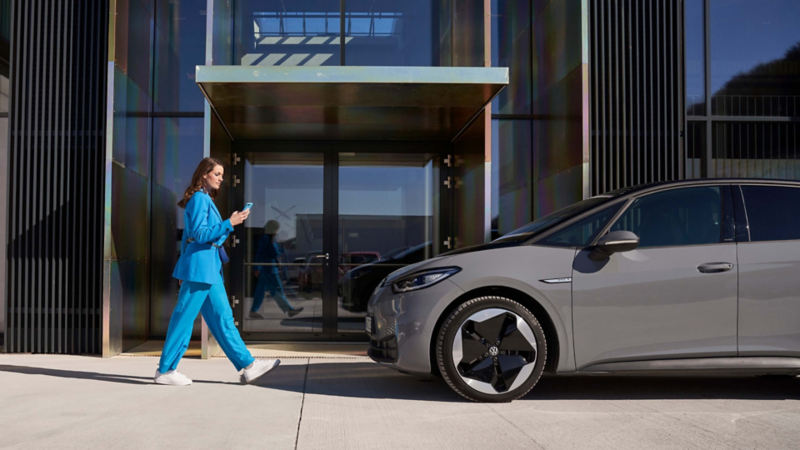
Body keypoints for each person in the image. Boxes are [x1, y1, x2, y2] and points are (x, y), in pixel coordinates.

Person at [154, 157, 280, 386]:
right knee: (183, 318)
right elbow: (200, 235)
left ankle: (248, 366)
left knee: (224, 319)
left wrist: (232, 223)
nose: (221, 178)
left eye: (222, 174)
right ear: (204, 174)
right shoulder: (200, 199)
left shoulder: (203, 199)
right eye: (217, 174)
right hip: (200, 269)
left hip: (207, 269)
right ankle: (165, 370)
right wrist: (228, 223)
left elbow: (196, 238)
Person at [249, 220, 304, 319]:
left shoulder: (271, 239)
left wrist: (283, 248)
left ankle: (253, 311)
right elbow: (264, 253)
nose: (277, 231)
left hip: (269, 268)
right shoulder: (266, 239)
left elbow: (274, 252)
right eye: (276, 229)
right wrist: (257, 267)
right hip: (269, 269)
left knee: (260, 291)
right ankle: (289, 309)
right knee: (277, 289)